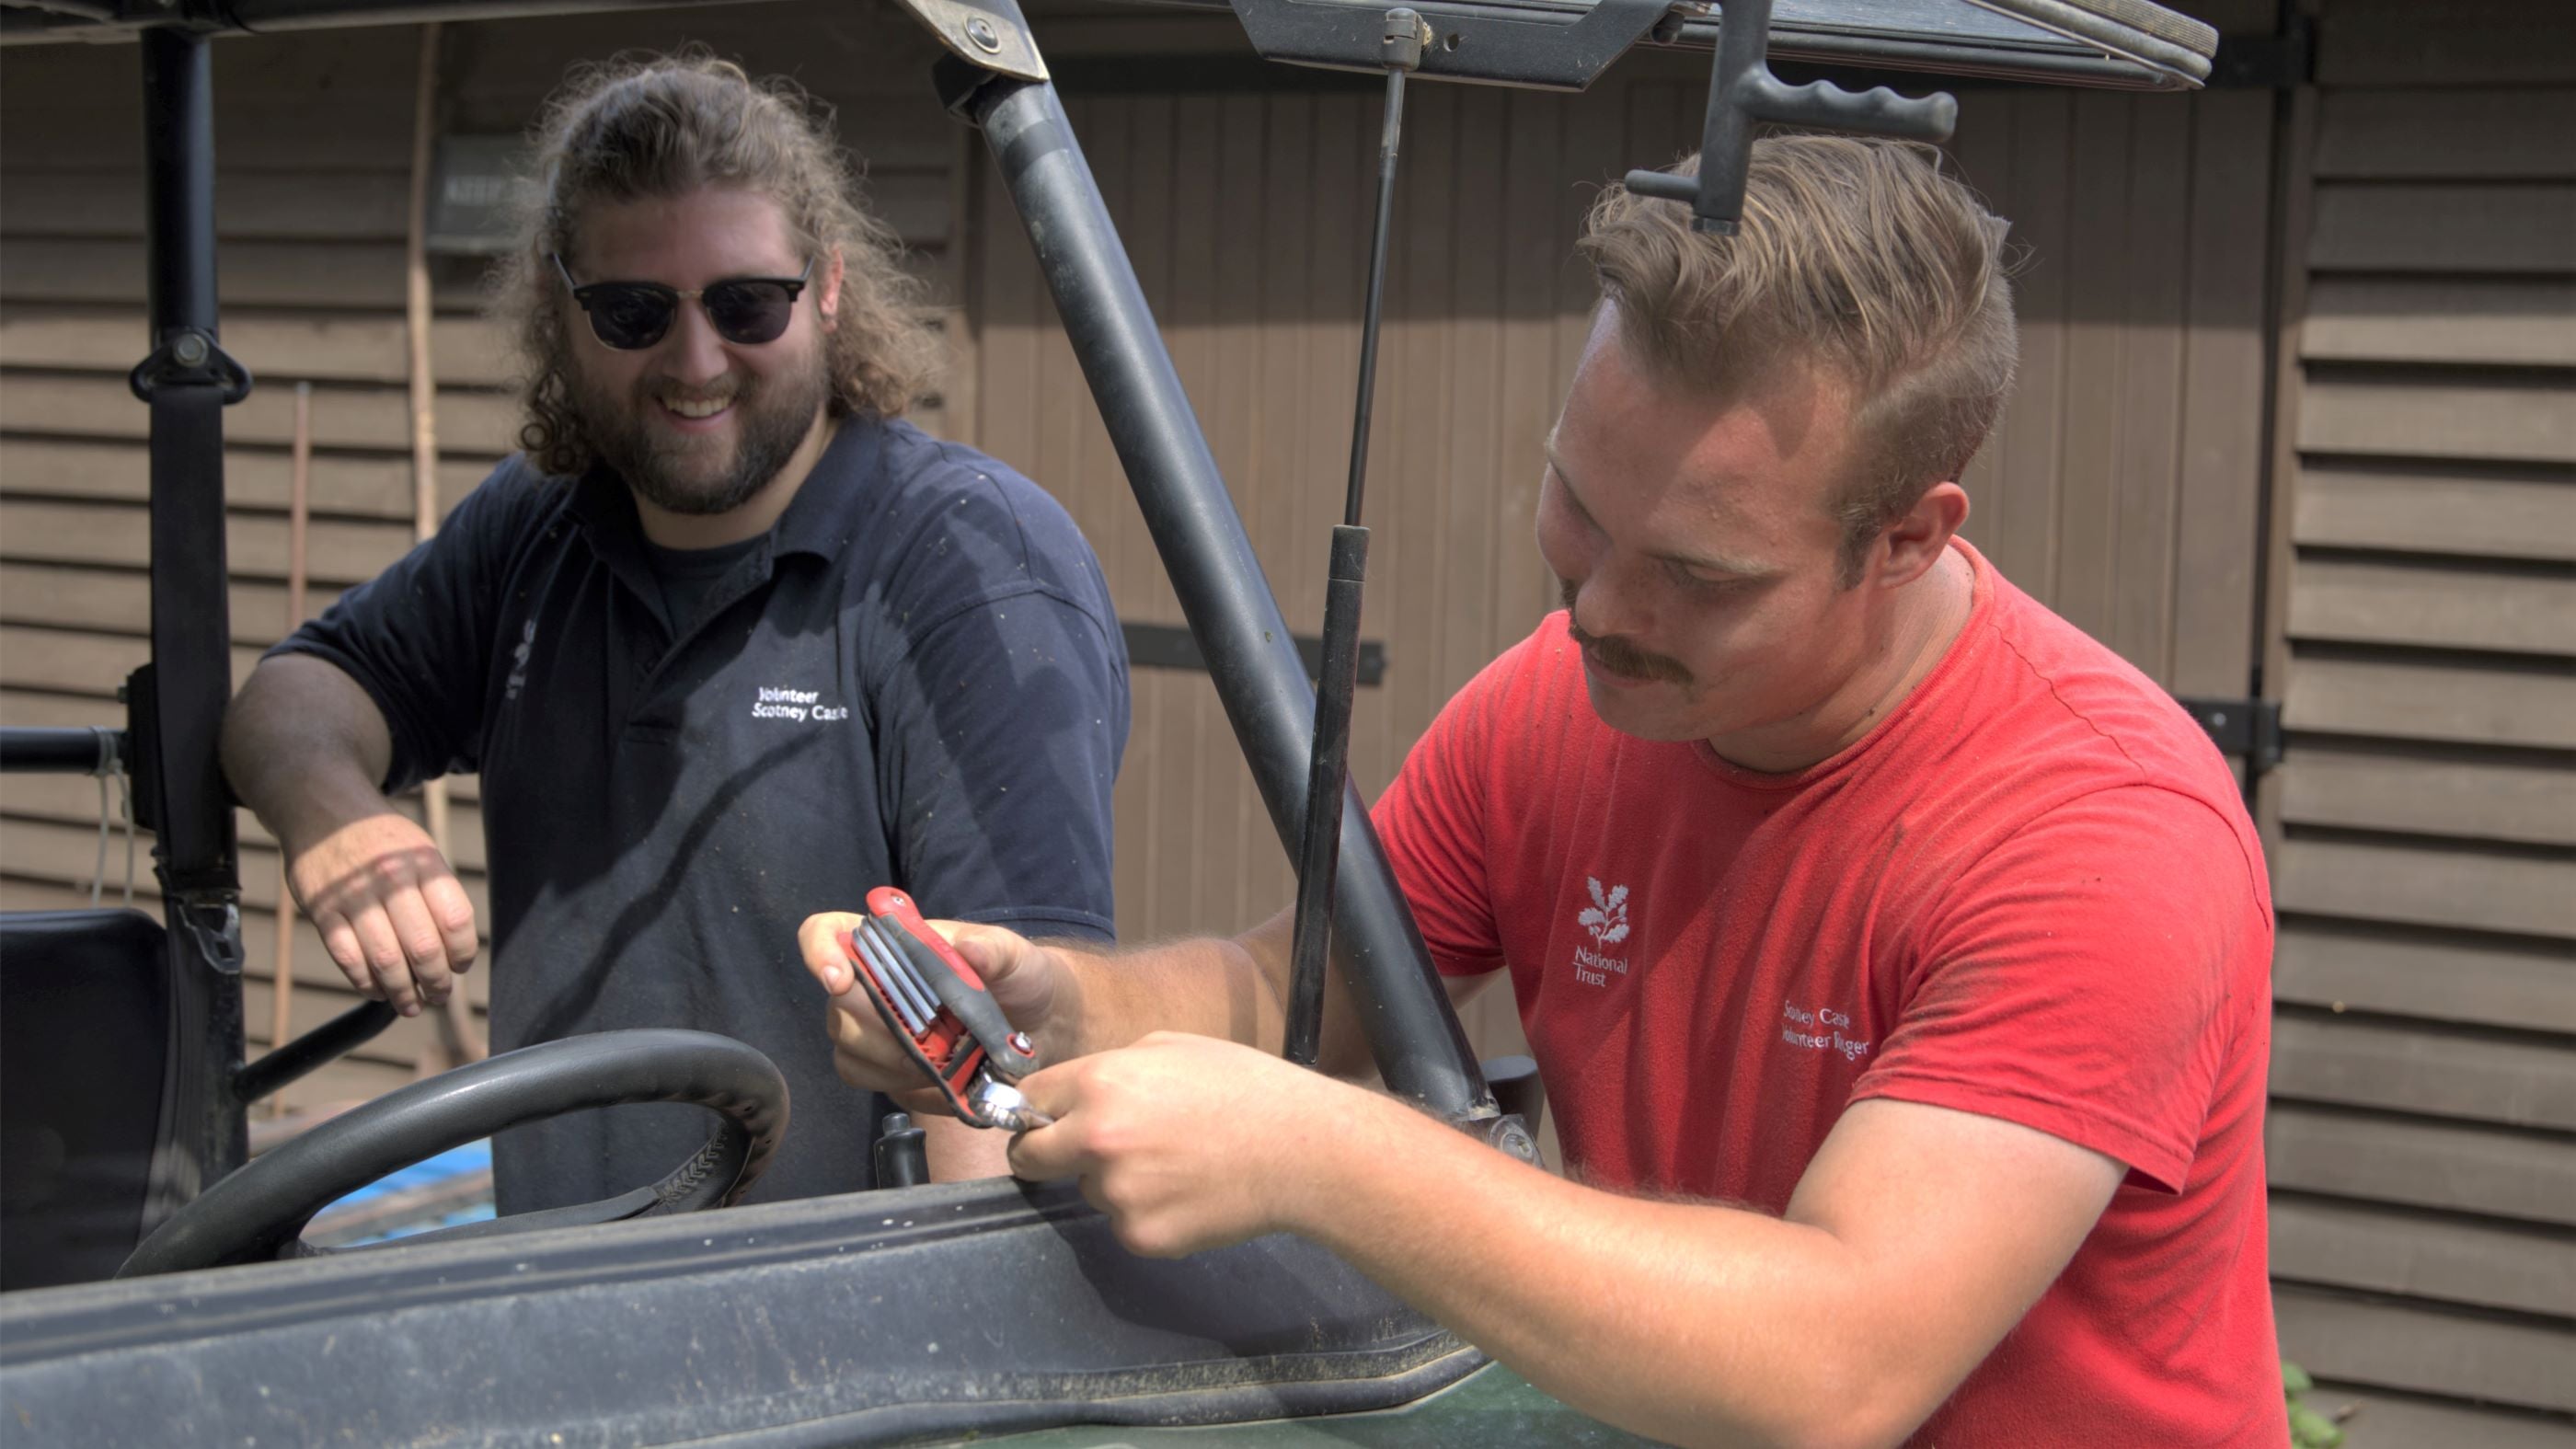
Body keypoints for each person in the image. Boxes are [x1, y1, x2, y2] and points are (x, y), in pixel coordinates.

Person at [805, 137, 2283, 1446]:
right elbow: (1293, 989)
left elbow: (1835, 1367)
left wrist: (1318, 1151)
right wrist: (1062, 1002)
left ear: (1904, 537)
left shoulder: (2098, 831)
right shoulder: (1559, 706)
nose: (1597, 606)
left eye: (1700, 572)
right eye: (1579, 500)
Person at [226, 55, 1128, 1209]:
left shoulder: (968, 564)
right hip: (567, 1319)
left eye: (748, 304)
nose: (695, 362)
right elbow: (298, 692)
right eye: (634, 311)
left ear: (832, 289)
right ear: (562, 312)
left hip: (848, 1355)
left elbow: (1015, 1066)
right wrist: (334, 818)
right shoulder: (537, 528)